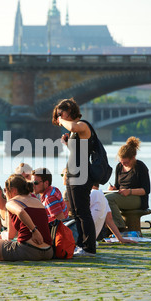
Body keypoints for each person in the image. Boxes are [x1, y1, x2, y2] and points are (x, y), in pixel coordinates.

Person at [52, 97, 96, 256]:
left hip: (81, 174)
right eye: (58, 115)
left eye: (61, 113)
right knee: (76, 212)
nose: (59, 117)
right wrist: (67, 144)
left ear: (69, 111)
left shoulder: (82, 125)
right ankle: (81, 244)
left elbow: (73, 126)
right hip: (73, 173)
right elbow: (78, 153)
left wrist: (61, 121)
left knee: (83, 211)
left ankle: (89, 247)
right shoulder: (73, 130)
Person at [0, 174, 53, 261]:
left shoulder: (12, 202)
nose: (5, 194)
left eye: (5, 190)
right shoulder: (37, 201)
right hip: (48, 252)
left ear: (13, 190)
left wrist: (34, 231)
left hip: (27, 251)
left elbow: (20, 213)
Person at [105, 137, 151, 231]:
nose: (123, 164)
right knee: (101, 197)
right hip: (123, 196)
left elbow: (146, 190)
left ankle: (120, 227)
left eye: (126, 162)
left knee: (109, 199)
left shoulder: (140, 167)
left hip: (137, 199)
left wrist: (129, 191)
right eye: (121, 162)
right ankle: (105, 227)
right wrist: (113, 189)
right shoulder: (119, 167)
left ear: (133, 158)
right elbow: (118, 186)